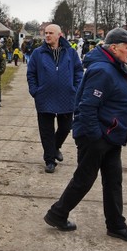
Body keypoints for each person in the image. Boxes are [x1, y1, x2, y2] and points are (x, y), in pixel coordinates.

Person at [43, 27, 127, 245]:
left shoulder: (115, 66)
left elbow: (111, 100)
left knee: (113, 181)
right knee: (84, 180)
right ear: (114, 47)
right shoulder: (103, 70)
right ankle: (57, 214)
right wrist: (95, 136)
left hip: (110, 135)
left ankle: (116, 225)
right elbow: (87, 106)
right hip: (97, 136)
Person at [27, 24, 83, 173]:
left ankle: (55, 147)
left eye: (51, 33)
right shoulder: (38, 53)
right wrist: (35, 91)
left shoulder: (70, 52)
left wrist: (75, 89)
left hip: (67, 96)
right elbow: (31, 73)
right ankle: (50, 160)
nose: (47, 35)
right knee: (46, 130)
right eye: (46, 33)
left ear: (60, 35)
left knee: (65, 127)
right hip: (44, 97)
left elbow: (78, 71)